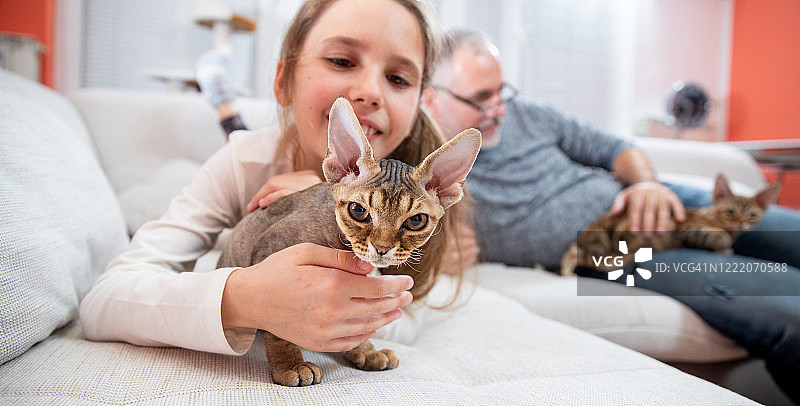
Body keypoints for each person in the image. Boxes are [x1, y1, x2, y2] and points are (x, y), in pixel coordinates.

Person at [420, 29, 800, 402]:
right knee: (789, 310)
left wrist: (648, 184)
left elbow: (617, 149)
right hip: (617, 251)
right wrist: (442, 255)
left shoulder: (530, 116)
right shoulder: (427, 170)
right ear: (431, 99)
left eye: (502, 92)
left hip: (666, 202)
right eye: (482, 98)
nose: (500, 109)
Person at [79, 0, 472, 358]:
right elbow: (102, 305)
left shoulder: (424, 194)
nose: (370, 92)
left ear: (421, 103)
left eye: (399, 79)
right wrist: (242, 299)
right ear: (282, 81)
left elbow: (408, 319)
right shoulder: (243, 162)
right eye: (340, 60)